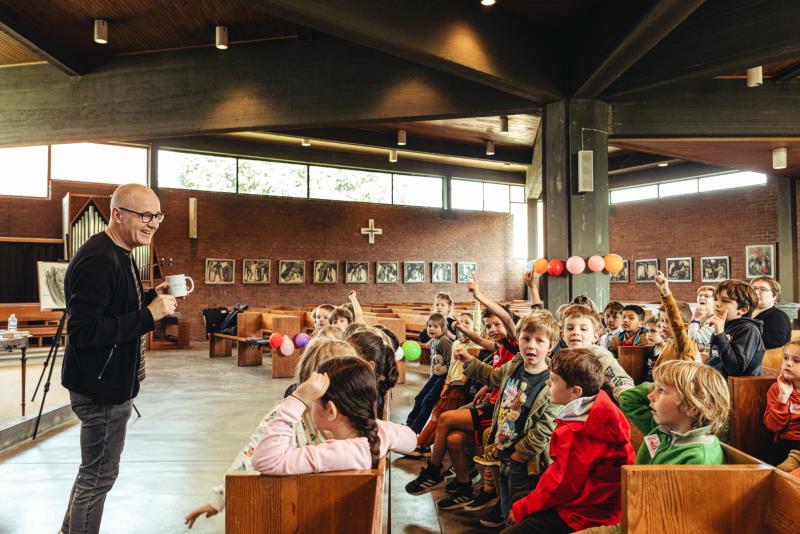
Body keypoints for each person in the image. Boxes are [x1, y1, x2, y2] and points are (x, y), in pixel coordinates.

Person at [60, 184, 177, 534]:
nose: (153, 223)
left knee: (92, 474)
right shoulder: (99, 258)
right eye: (144, 215)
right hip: (101, 390)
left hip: (109, 385)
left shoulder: (119, 253)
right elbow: (84, 332)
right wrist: (149, 316)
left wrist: (150, 296)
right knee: (98, 477)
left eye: (157, 216)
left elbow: (114, 303)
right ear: (117, 214)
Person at [184, 339, 357, 528]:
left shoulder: (359, 413)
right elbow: (251, 454)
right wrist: (219, 500)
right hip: (296, 508)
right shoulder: (287, 415)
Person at [505, 348, 635, 533]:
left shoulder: (579, 431)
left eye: (555, 380)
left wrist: (522, 510)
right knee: (519, 496)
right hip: (597, 499)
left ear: (575, 391)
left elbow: (562, 486)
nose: (548, 382)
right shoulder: (598, 405)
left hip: (587, 512)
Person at [455, 313, 561, 520]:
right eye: (526, 338)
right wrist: (470, 361)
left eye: (540, 341)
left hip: (525, 459)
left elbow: (545, 428)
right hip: (502, 447)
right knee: (505, 498)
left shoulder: (552, 382)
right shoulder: (515, 365)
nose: (531, 346)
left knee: (519, 506)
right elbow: (493, 377)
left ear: (552, 345)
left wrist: (519, 454)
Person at [252, 357, 417, 474]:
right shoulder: (379, 433)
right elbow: (411, 440)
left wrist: (298, 399)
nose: (308, 407)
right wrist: (380, 426)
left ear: (331, 411)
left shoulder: (335, 453)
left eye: (312, 402)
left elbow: (266, 460)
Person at [619, 360, 730, 466]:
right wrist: (660, 383)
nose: (650, 396)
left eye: (661, 390)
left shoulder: (697, 460)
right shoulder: (665, 428)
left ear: (692, 407)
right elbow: (628, 399)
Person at [560, 305, 634, 399]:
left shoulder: (599, 356)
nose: (576, 332)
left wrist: (625, 396)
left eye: (583, 329)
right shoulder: (562, 357)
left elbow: (621, 381)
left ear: (595, 337)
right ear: (563, 335)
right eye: (570, 328)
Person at [404, 313, 453, 441]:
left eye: (435, 326)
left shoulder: (444, 342)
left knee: (428, 401)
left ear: (443, 329)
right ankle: (409, 425)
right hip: (436, 376)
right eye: (429, 326)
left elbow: (451, 364)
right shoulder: (434, 340)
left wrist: (446, 384)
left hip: (444, 378)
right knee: (420, 397)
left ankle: (415, 429)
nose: (431, 329)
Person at [707, 279, 765, 377]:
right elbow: (715, 360)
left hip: (734, 387)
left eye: (725, 301)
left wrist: (721, 335)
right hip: (713, 381)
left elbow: (735, 369)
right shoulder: (724, 327)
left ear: (743, 309)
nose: (717, 304)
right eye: (716, 299)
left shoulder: (748, 329)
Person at [764, 342, 800, 465]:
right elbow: (773, 426)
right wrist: (783, 397)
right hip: (783, 444)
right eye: (785, 358)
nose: (788, 363)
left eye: (796, 360)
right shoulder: (776, 389)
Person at [652, 271, 697, 367]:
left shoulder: (685, 345)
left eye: (669, 322)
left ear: (684, 327)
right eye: (662, 320)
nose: (663, 325)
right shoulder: (669, 342)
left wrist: (665, 292)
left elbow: (676, 324)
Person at [751, 276, 792, 349]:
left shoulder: (778, 316)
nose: (756, 292)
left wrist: (740, 339)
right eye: (753, 288)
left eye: (762, 289)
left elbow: (777, 340)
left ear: (774, 296)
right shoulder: (743, 313)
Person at [688, 285, 716, 353]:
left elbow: (694, 339)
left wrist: (696, 319)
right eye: (700, 295)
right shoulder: (693, 318)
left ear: (715, 301)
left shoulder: (715, 321)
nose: (702, 298)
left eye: (707, 296)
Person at [643, 316, 665, 383]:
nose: (648, 334)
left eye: (653, 331)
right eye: (647, 331)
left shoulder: (668, 352)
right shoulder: (650, 351)